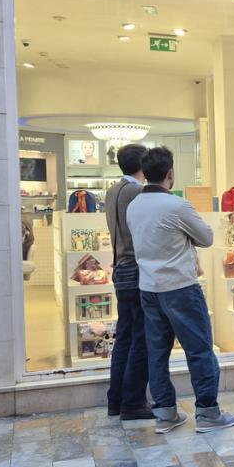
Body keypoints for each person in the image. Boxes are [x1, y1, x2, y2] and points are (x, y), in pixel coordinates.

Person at [127, 147, 234, 434]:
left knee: (157, 352)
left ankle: (165, 414)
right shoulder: (177, 206)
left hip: (148, 288)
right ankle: (208, 413)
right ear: (170, 174)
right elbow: (207, 237)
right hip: (180, 288)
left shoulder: (134, 205)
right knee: (199, 350)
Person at [103, 143, 153, 421]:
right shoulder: (137, 192)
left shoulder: (112, 191)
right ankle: (133, 401)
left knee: (124, 337)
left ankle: (117, 399)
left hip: (120, 267)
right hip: (136, 268)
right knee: (141, 338)